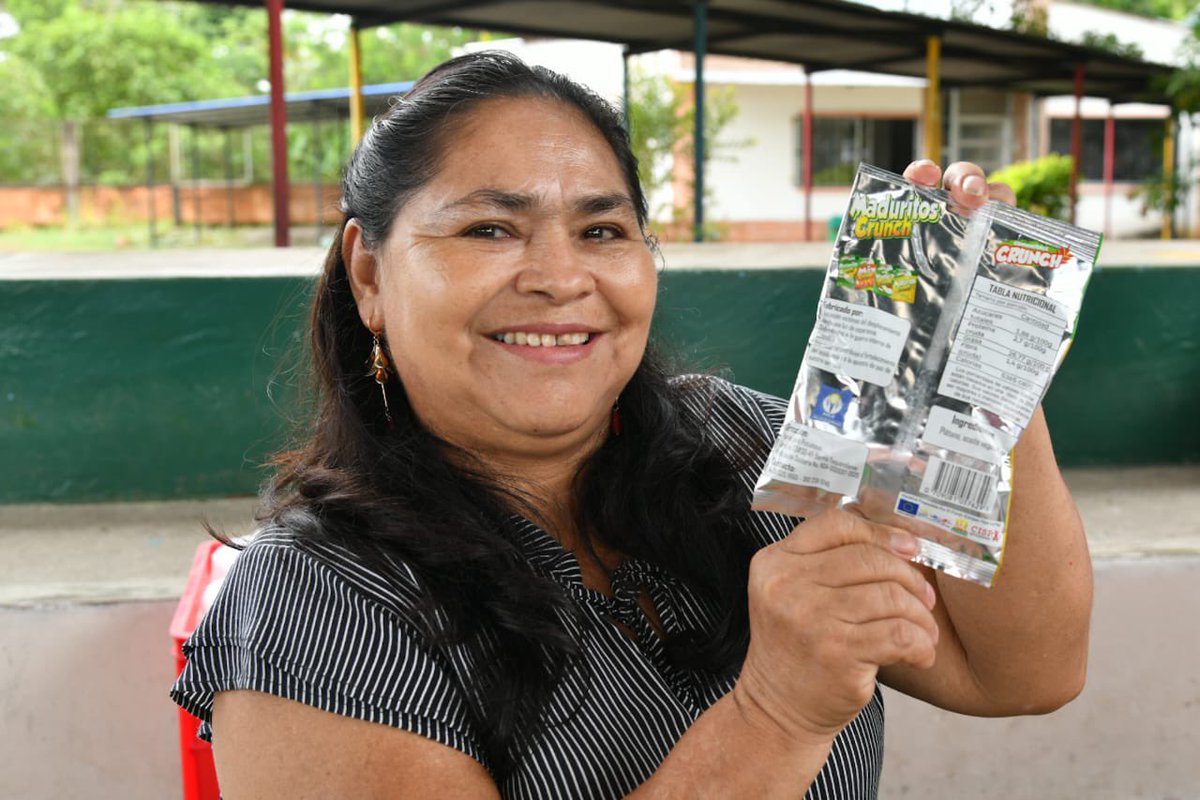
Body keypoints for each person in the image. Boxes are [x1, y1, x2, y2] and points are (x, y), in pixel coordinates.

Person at [172, 51, 1092, 799]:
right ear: (369, 274)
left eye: (603, 232)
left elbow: (1021, 671)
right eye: (491, 229)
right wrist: (775, 715)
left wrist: (979, 361)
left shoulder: (734, 444)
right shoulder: (314, 605)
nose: (560, 277)